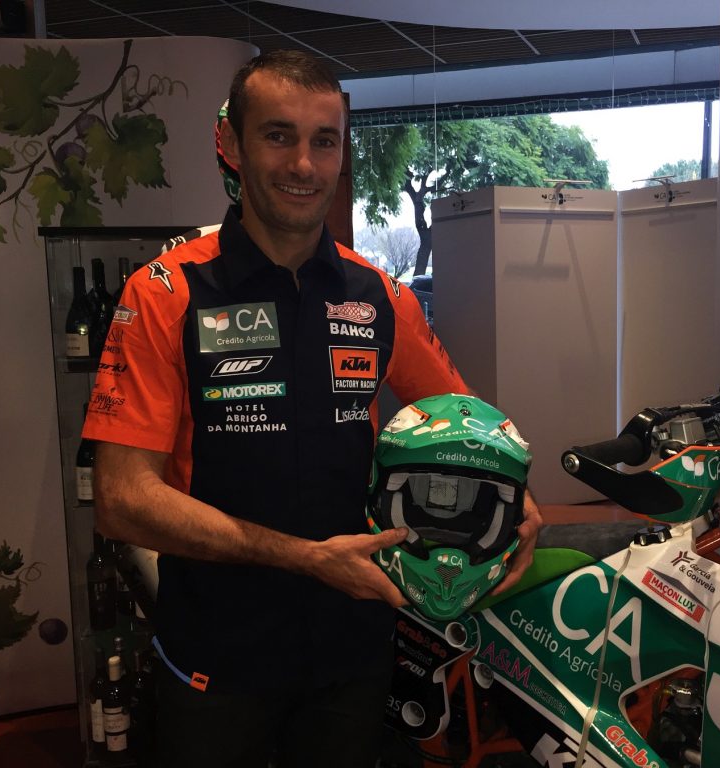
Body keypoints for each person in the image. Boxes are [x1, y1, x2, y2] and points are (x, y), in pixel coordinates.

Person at [83, 49, 541, 768]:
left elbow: (471, 428)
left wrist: (518, 499)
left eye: (324, 140)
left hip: (351, 651)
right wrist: (306, 559)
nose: (303, 163)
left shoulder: (380, 296)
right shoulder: (165, 292)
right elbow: (121, 499)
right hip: (214, 654)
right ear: (230, 143)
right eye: (278, 135)